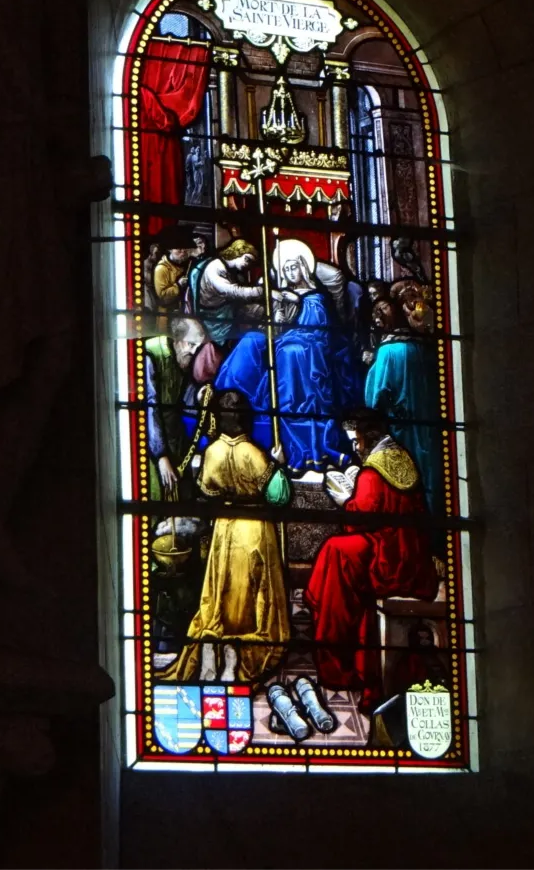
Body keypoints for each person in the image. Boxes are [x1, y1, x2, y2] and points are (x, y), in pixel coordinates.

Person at [304, 408, 438, 712]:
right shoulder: (401, 458)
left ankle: (338, 663)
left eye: (357, 441)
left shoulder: (373, 471)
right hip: (411, 556)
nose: (356, 448)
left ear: (369, 438)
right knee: (338, 552)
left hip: (389, 563)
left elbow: (358, 519)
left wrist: (343, 500)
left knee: (335, 553)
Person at [159, 390, 291, 684]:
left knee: (225, 589)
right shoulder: (255, 455)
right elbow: (280, 497)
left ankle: (219, 651)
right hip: (255, 529)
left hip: (225, 528)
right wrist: (278, 464)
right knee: (253, 593)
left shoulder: (212, 453)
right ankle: (238, 655)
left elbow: (207, 492)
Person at [214, 239, 361, 475]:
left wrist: (287, 330)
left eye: (293, 267)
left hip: (312, 348)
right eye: (286, 269)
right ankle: (226, 397)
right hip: (286, 340)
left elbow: (317, 331)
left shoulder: (316, 297)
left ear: (303, 267)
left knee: (290, 352)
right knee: (252, 340)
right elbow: (274, 325)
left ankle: (290, 404)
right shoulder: (283, 294)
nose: (291, 273)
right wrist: (276, 316)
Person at [364, 297, 442, 515]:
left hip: (402, 426)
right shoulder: (427, 348)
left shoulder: (388, 351)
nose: (378, 318)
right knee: (432, 470)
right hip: (431, 422)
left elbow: (374, 398)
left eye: (382, 310)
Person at [145, 317, 222, 500]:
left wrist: (198, 397)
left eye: (198, 345)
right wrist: (160, 456)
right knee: (159, 493)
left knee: (184, 493)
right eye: (191, 344)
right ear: (177, 339)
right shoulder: (152, 356)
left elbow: (182, 396)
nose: (194, 351)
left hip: (176, 438)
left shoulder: (183, 358)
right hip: (151, 441)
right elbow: (150, 409)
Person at [190, 239, 264, 347]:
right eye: (246, 259)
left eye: (250, 262)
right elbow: (232, 291)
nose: (247, 264)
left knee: (259, 310)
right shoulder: (215, 267)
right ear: (236, 252)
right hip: (213, 318)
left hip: (226, 310)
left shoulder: (230, 270)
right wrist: (260, 291)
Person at [153, 227, 195, 311]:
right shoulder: (161, 269)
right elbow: (163, 298)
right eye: (179, 249)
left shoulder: (191, 264)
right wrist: (178, 285)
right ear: (170, 249)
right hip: (168, 315)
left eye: (185, 248)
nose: (183, 251)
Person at [143, 243, 162, 313]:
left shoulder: (158, 264)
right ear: (151, 253)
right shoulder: (145, 264)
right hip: (147, 290)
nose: (157, 255)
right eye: (156, 253)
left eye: (158, 253)